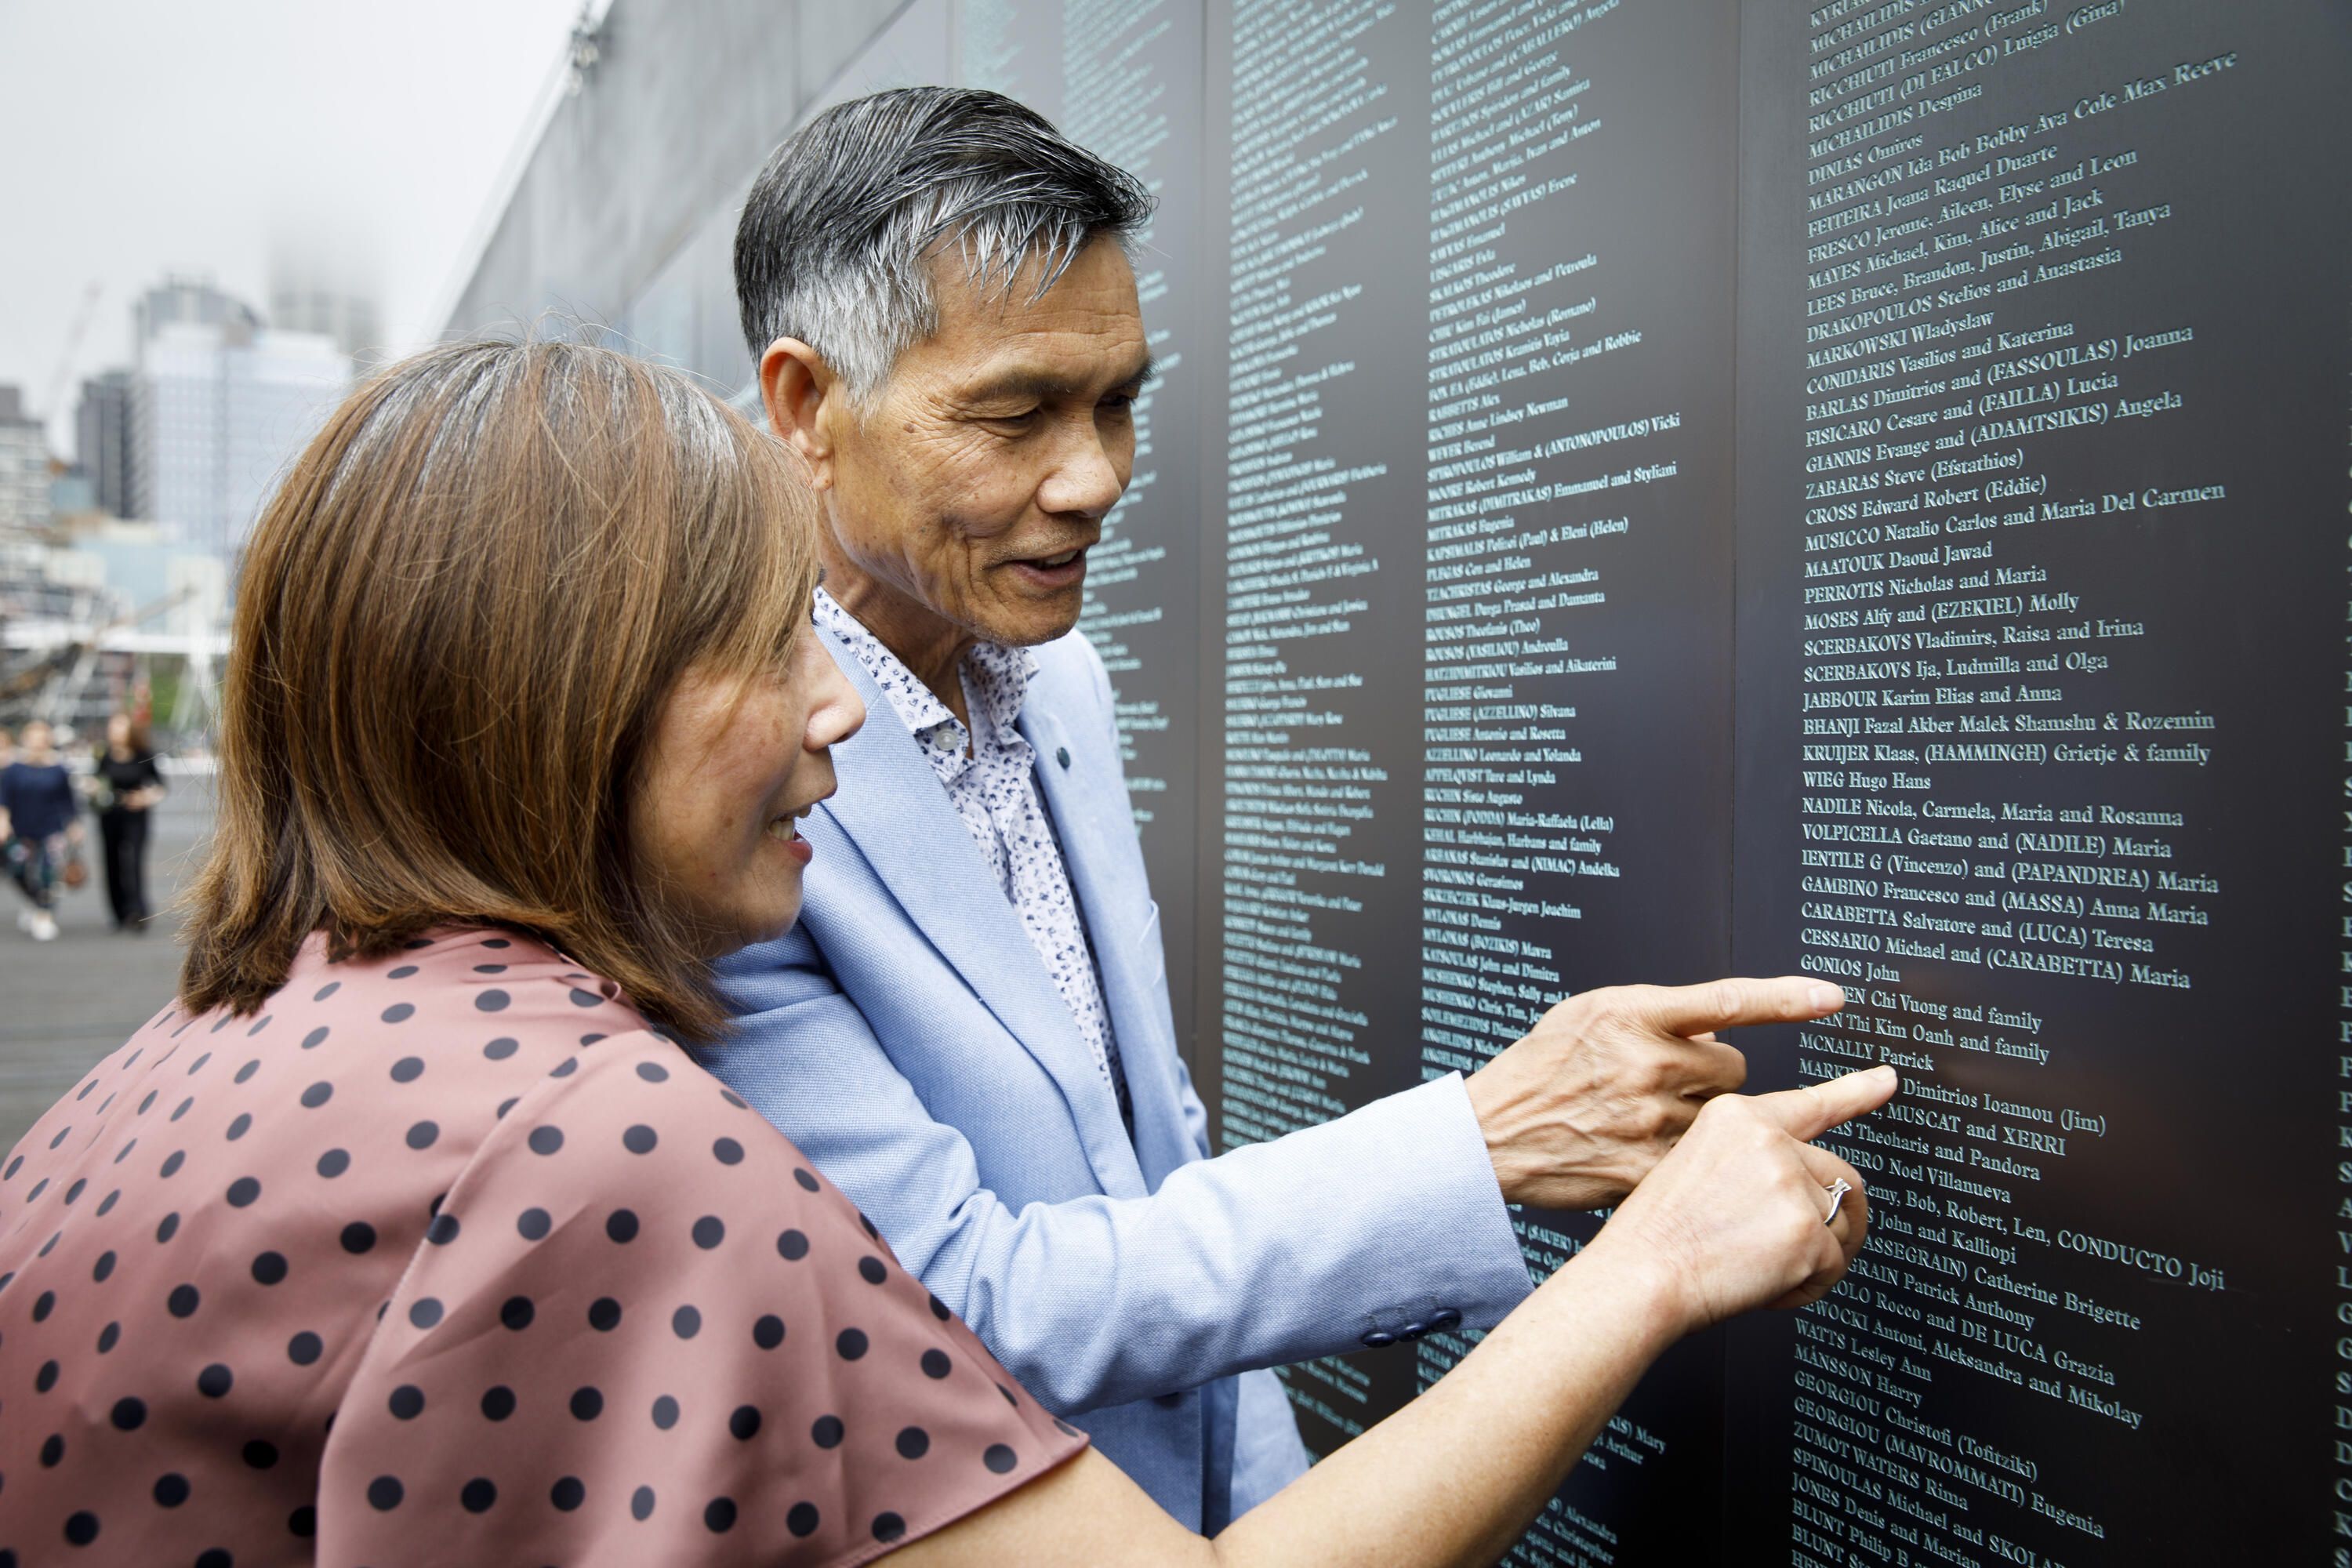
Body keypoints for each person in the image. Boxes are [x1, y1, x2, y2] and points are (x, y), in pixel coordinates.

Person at [0, 336, 1891, 1564]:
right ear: (560, 704)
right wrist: (1644, 1265)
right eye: (766, 643)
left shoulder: (181, 1063)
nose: (838, 711)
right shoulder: (592, 1147)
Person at [713, 85, 1835, 1528]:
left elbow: (1152, 1159)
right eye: (1016, 416)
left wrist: (1263, 1508)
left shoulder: (1062, 689)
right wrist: (1483, 1146)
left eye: (1119, 403)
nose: (1096, 477)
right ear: (807, 405)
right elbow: (948, 1299)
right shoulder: (716, 790)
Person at [0, 718, 83, 942]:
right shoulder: (14, 770)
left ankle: (44, 915)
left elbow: (69, 801)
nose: (37, 743)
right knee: (16, 869)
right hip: (22, 828)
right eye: (33, 738)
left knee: (49, 873)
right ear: (26, 740)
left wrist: (74, 825)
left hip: (51, 828)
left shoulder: (58, 769)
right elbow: (4, 798)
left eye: (42, 738)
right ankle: (34, 900)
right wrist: (3, 821)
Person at [92, 713, 166, 931]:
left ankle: (137, 910)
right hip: (109, 813)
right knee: (111, 861)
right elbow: (97, 779)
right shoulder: (104, 755)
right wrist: (94, 788)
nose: (115, 732)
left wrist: (145, 798)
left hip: (136, 815)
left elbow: (160, 785)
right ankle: (118, 912)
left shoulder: (143, 755)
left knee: (133, 860)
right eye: (113, 727)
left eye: (120, 727)